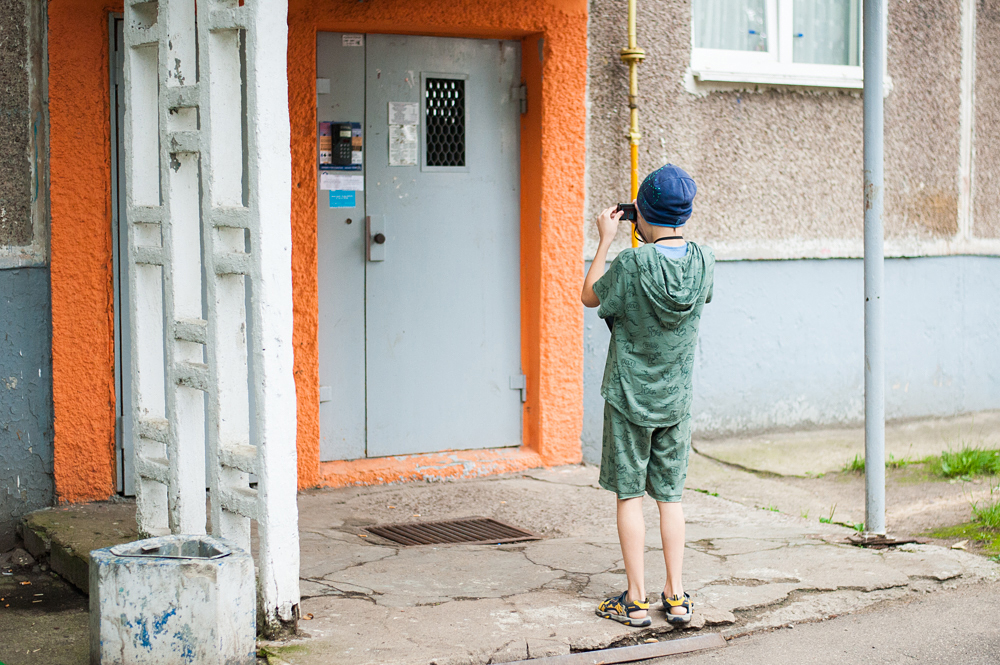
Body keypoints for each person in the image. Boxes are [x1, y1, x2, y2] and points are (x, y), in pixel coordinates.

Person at [581, 164, 715, 627]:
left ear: (643, 213)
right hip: (675, 401)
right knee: (670, 497)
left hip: (628, 399)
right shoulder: (704, 260)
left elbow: (590, 296)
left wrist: (605, 238)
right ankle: (676, 596)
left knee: (629, 496)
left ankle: (635, 600)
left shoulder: (633, 263)